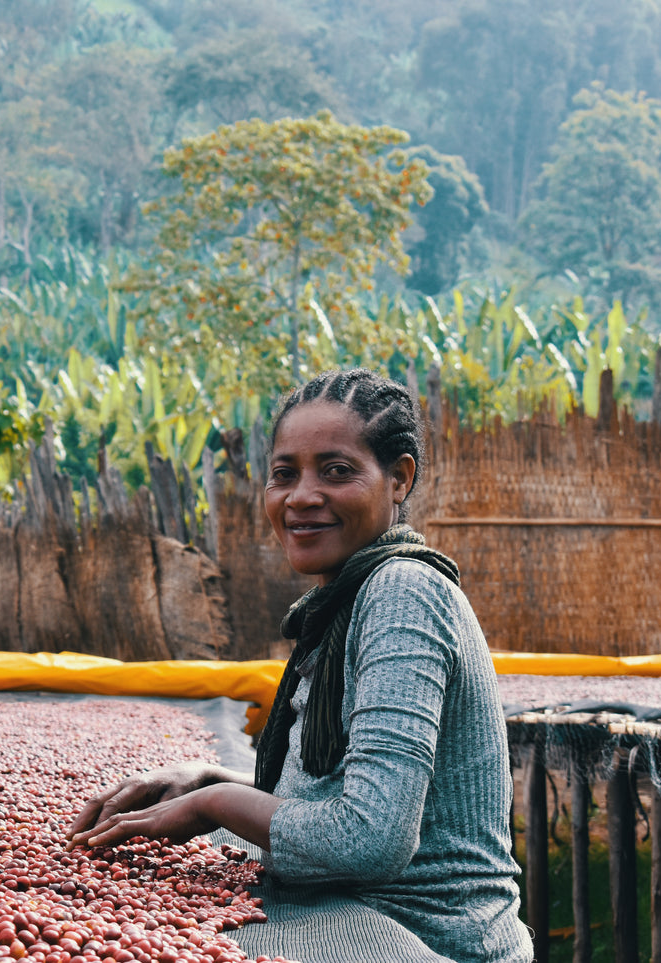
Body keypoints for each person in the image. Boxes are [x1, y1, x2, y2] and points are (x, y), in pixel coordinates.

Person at [68, 369, 531, 963]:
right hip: (360, 912)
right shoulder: (345, 600)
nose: (302, 496)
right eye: (284, 475)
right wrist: (210, 778)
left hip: (428, 936)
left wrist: (214, 807)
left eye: (336, 471)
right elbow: (340, 798)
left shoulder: (403, 593)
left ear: (399, 478)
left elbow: (370, 840)